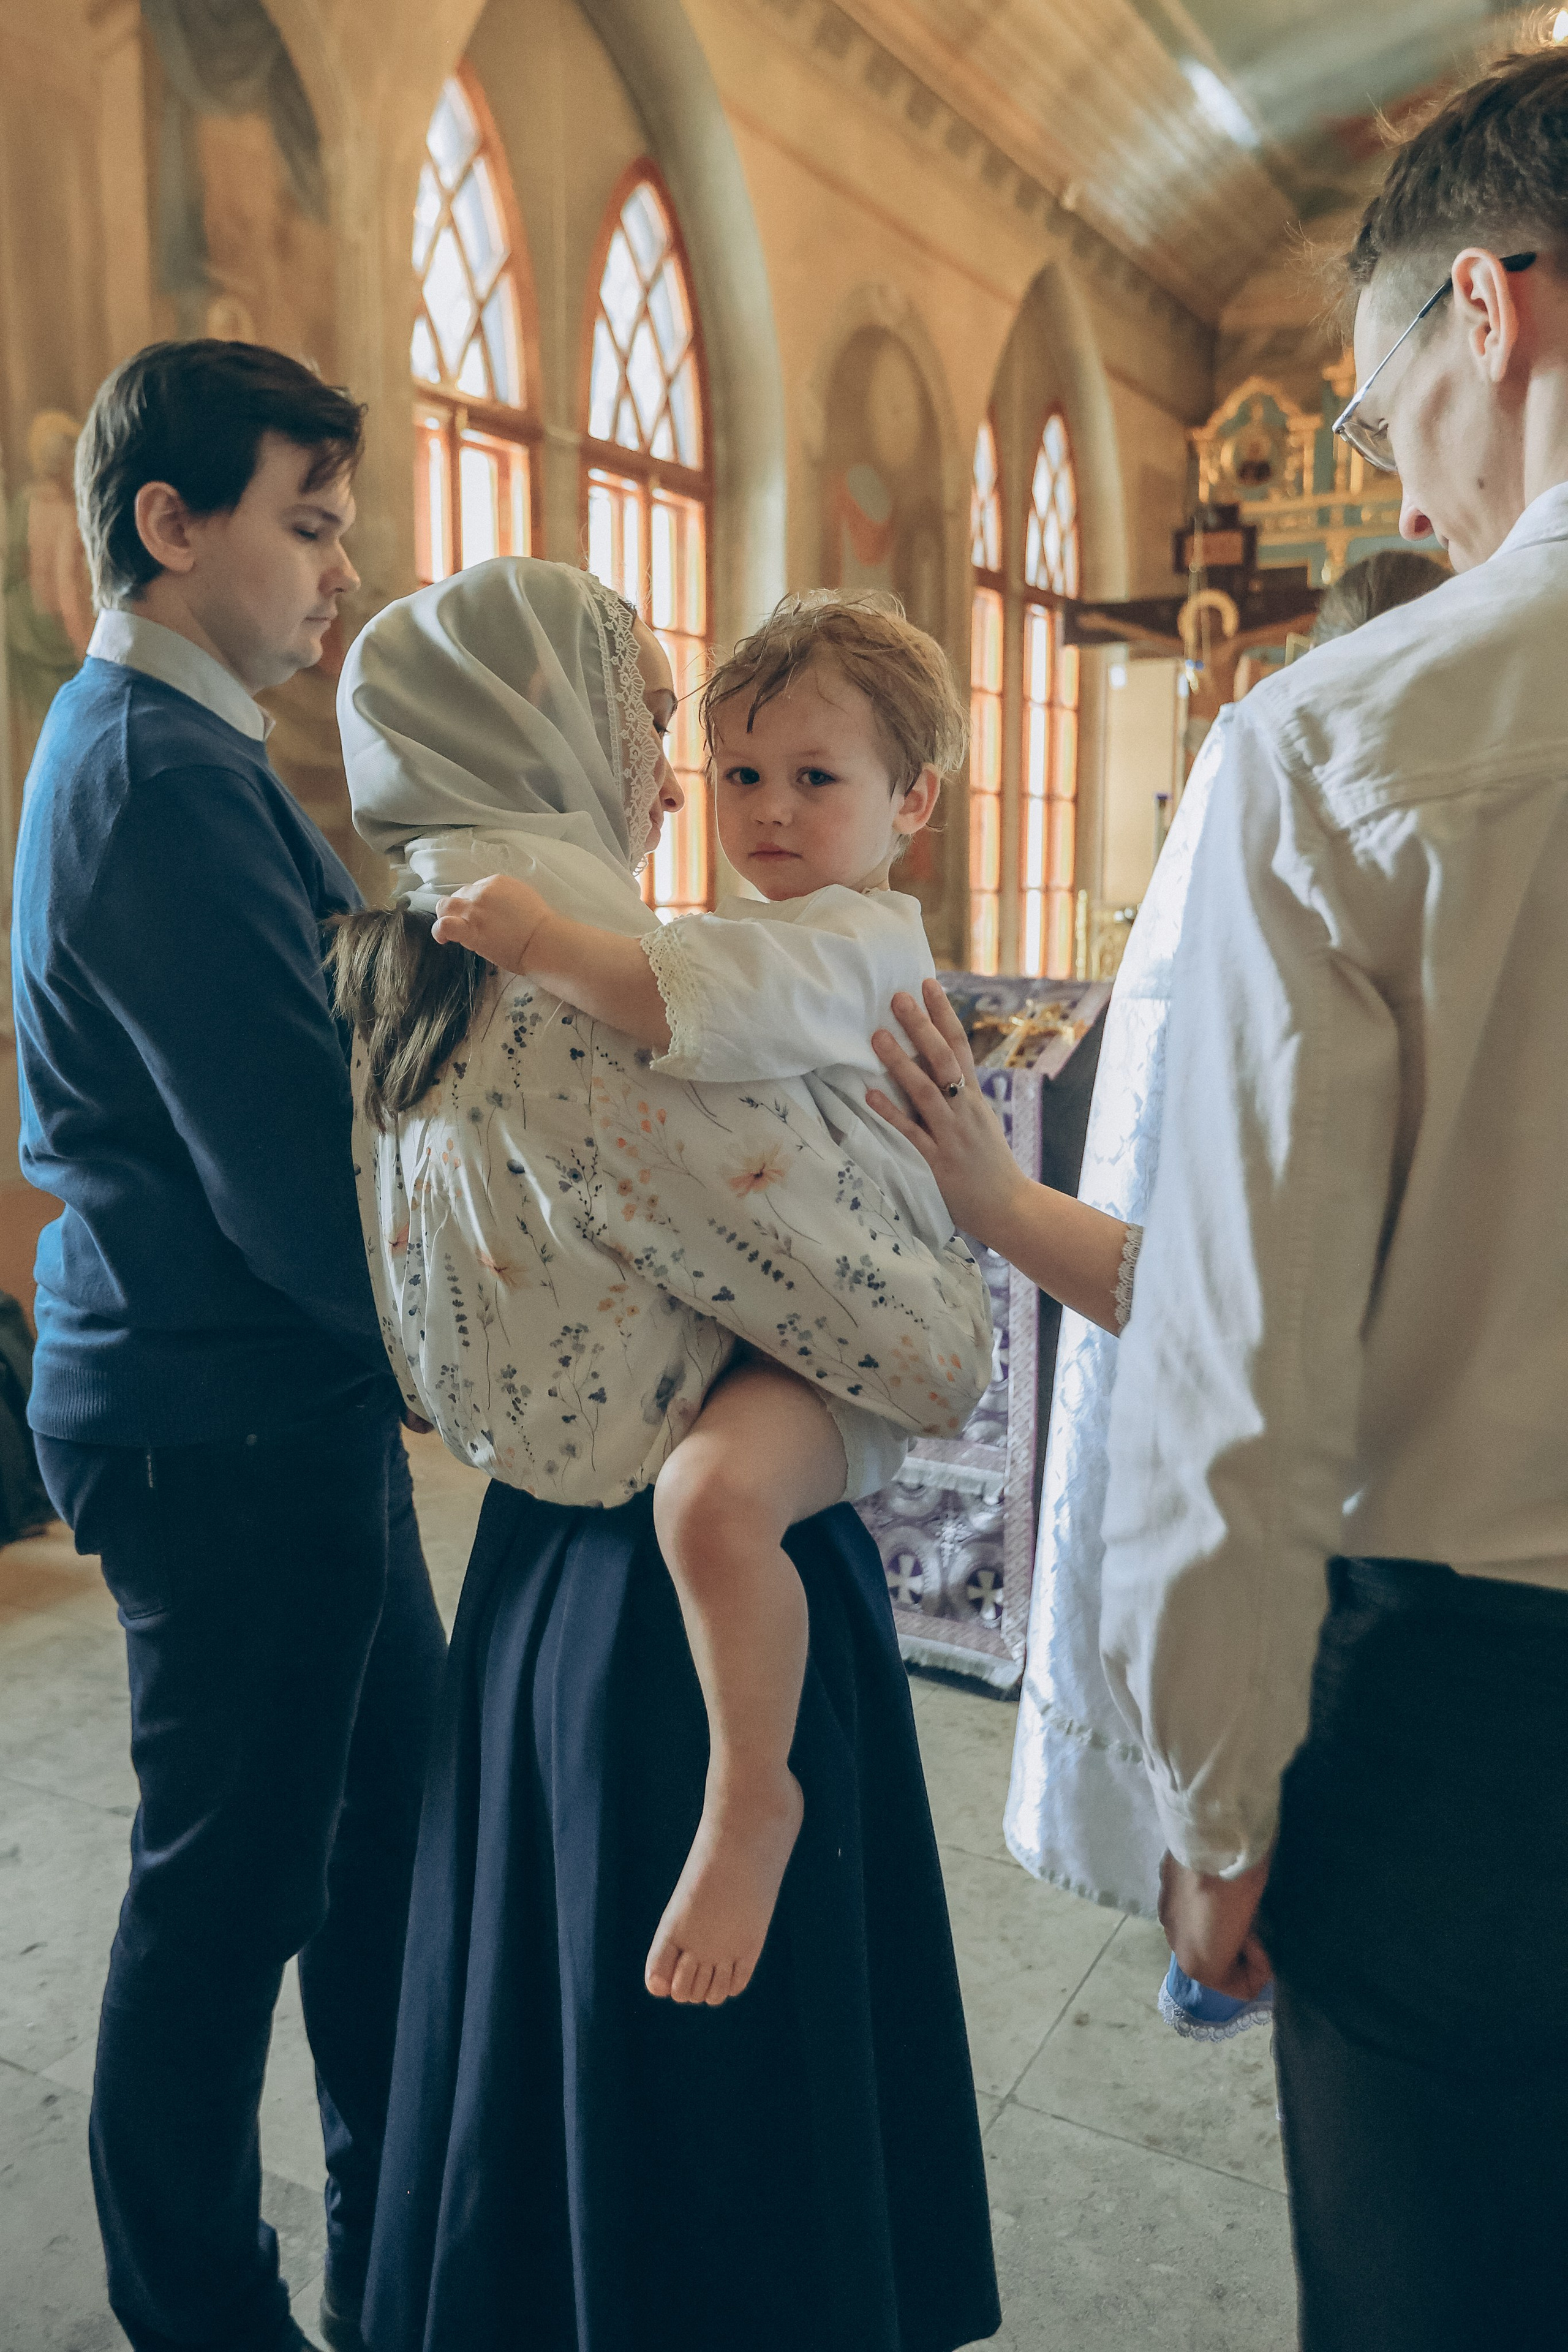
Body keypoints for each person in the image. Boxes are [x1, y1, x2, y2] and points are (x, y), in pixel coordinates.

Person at [331, 556, 1001, 2352]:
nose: (665, 775)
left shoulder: (418, 930)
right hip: (673, 1616)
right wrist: (962, 1270)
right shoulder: (569, 963)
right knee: (715, 2167)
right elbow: (926, 1351)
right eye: (654, 729)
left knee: (557, 2116)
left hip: (553, 1572)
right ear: (541, 721)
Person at [1092, 46, 1568, 2348]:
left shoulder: (1354, 742)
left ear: (1495, 308)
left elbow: (1244, 1367)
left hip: (1480, 1739)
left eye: (1385, 415)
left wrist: (1217, 1798)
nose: (1408, 485)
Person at [9, 340, 447, 2352]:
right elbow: (296, 1175)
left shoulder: (170, 745)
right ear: (171, 530)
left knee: (385, 1864)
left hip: (265, 1402)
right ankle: (215, 2323)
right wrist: (515, 1351)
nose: (340, 570)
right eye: (311, 522)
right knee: (226, 1913)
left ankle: (402, 2263)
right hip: (230, 1421)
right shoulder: (151, 774)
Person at [428, 592, 964, 2009]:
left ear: (911, 801)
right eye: (738, 774)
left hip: (837, 1366)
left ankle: (749, 1801)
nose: (764, 811)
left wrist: (539, 937)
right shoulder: (772, 928)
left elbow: (668, 1008)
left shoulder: (840, 941)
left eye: (813, 779)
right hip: (774, 1327)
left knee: (710, 1507)